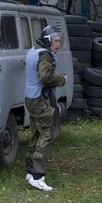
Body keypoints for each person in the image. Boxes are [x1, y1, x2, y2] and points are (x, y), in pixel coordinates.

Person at [24, 25, 67, 191]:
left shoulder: (35, 50)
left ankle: (30, 172)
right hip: (39, 100)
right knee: (47, 133)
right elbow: (45, 77)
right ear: (48, 40)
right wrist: (62, 79)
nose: (58, 44)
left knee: (36, 133)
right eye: (55, 41)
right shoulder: (45, 55)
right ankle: (38, 176)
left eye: (60, 41)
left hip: (31, 99)